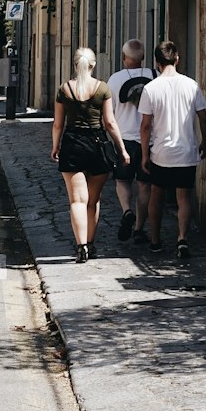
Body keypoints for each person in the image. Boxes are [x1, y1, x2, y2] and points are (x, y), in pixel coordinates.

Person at [50, 46, 130, 264]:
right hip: (97, 145)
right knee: (92, 201)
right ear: (93, 65)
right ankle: (91, 244)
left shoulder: (64, 89)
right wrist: (122, 149)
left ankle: (81, 246)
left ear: (75, 65)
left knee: (76, 200)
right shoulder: (102, 88)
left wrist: (55, 146)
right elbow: (110, 123)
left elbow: (58, 124)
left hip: (72, 144)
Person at [138, 40, 206, 264]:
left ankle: (156, 240)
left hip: (161, 153)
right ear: (177, 59)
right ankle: (182, 239)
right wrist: (205, 142)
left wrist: (144, 154)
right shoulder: (191, 85)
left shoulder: (151, 88)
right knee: (184, 197)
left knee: (156, 196)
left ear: (156, 63)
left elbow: (145, 126)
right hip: (186, 151)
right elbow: (204, 118)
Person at [105, 39, 154, 244]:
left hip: (123, 139)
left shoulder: (114, 80)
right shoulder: (154, 77)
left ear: (124, 57)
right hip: (149, 141)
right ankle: (139, 228)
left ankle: (126, 210)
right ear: (142, 57)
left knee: (122, 181)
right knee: (144, 185)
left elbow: (109, 113)